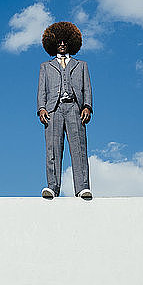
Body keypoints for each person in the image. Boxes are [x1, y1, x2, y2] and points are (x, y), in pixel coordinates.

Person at [37, 22, 93, 199]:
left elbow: (87, 88)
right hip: (53, 109)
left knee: (79, 148)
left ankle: (82, 187)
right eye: (58, 41)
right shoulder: (46, 66)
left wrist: (87, 106)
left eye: (65, 41)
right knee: (52, 149)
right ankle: (52, 187)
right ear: (53, 43)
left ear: (70, 42)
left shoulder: (81, 65)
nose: (62, 44)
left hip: (74, 108)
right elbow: (41, 90)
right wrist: (41, 108)